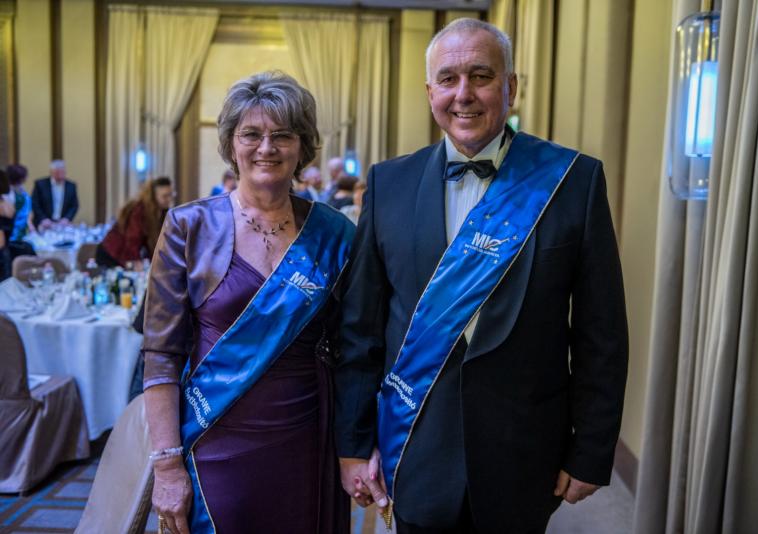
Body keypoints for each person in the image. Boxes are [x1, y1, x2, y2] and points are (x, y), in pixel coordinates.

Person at [335, 18, 628, 533]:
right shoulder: (387, 184)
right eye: (448, 79)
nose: (463, 94)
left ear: (511, 87)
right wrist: (354, 445)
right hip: (416, 443)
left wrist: (592, 448)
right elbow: (360, 329)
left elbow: (600, 331)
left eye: (481, 76)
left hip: (524, 448)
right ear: (430, 92)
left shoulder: (574, 181)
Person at [143, 71, 353, 534]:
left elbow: (355, 347)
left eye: (283, 135)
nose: (266, 148)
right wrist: (166, 466)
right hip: (214, 438)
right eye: (251, 134)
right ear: (231, 144)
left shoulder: (335, 232)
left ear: (302, 145)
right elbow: (160, 355)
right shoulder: (188, 227)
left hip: (307, 439)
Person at [95, 176, 173, 269]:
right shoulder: (139, 210)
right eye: (165, 196)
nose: (169, 199)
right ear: (153, 197)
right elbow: (133, 238)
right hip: (110, 253)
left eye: (170, 195)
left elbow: (155, 243)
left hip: (124, 255)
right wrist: (136, 263)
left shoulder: (162, 213)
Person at [31, 159, 79, 229]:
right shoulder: (40, 184)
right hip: (43, 224)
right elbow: (35, 203)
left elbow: (74, 205)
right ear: (52, 172)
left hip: (62, 224)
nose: (60, 175)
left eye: (62, 172)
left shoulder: (71, 186)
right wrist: (43, 218)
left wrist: (67, 218)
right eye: (57, 172)